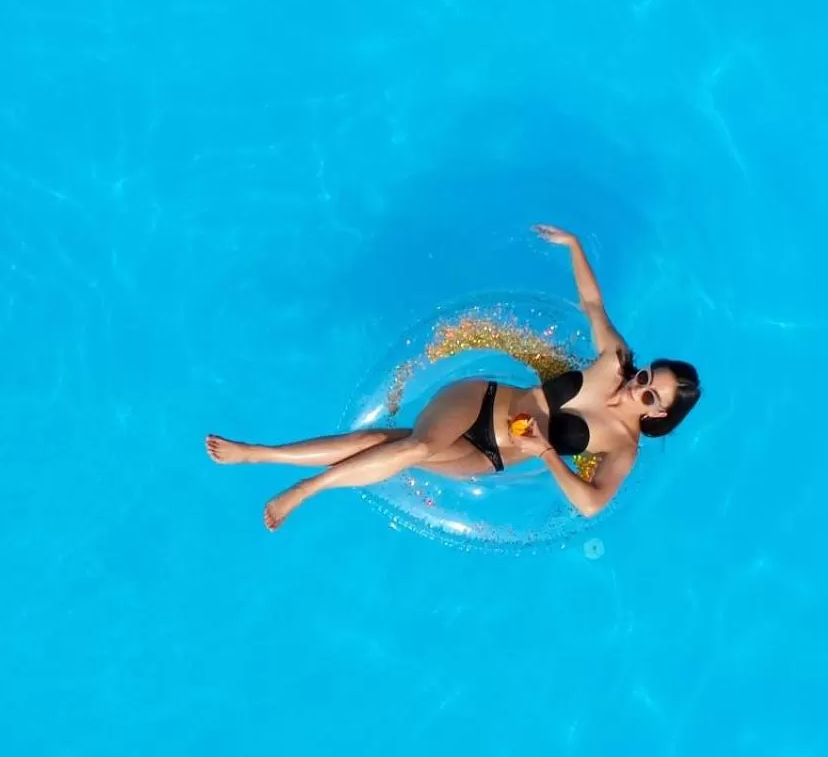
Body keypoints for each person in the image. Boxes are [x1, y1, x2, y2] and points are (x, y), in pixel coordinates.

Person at [206, 225, 701, 531]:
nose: (637, 384)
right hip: (481, 402)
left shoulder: (623, 447)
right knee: (417, 448)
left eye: (649, 391)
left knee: (382, 442)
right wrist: (572, 245)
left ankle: (260, 453)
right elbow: (593, 304)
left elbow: (592, 505)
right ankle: (305, 491)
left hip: (491, 456)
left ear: (659, 412)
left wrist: (549, 454)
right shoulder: (613, 359)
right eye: (644, 374)